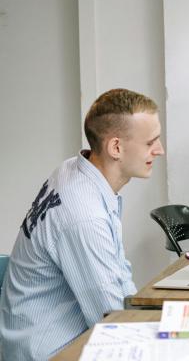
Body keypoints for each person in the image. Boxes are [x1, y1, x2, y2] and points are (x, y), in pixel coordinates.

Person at [0, 89, 165, 360]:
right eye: (151, 142)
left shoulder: (74, 169)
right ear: (116, 148)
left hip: (47, 338)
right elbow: (112, 319)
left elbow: (117, 277)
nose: (159, 150)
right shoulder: (84, 216)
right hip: (50, 351)